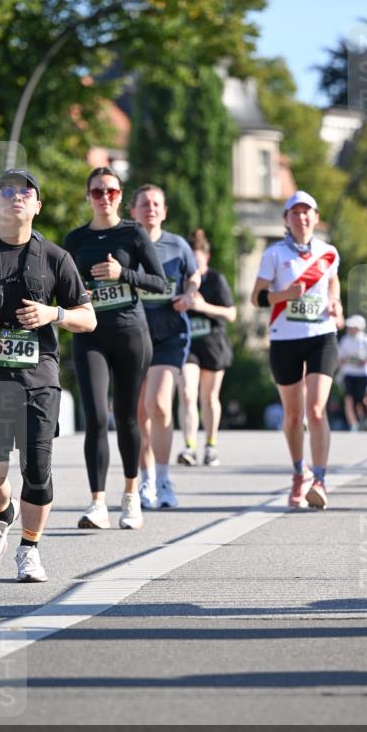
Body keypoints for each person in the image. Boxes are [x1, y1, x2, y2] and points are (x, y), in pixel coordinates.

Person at [0, 168, 96, 582]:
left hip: (38, 379)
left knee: (38, 470)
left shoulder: (56, 259)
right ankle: (1, 514)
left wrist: (54, 313)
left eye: (26, 192)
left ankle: (30, 548)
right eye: (7, 191)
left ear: (37, 206)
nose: (17, 196)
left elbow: (89, 318)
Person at [64, 167, 166, 530]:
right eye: (96, 192)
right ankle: (97, 503)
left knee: (126, 417)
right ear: (88, 196)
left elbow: (160, 283)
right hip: (90, 334)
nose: (104, 198)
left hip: (130, 334)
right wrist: (79, 296)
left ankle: (131, 495)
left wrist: (122, 274)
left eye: (110, 191)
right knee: (94, 417)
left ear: (120, 195)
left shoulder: (133, 233)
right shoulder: (75, 240)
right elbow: (61, 288)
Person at [250, 190, 342, 509]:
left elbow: (332, 283)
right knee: (293, 415)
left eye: (307, 212)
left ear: (315, 217)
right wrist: (285, 294)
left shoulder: (329, 252)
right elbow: (257, 298)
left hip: (321, 335)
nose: (302, 218)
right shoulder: (274, 255)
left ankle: (320, 478)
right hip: (285, 338)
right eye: (295, 213)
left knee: (316, 409)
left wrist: (336, 303)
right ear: (286, 220)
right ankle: (298, 473)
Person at [131, 184, 201, 509]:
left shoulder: (178, 245)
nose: (151, 208)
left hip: (170, 334)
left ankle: (163, 478)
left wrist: (188, 295)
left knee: (159, 403)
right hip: (132, 335)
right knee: (139, 412)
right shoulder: (126, 244)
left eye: (157, 203)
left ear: (165, 210)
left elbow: (194, 277)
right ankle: (144, 480)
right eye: (145, 204)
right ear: (133, 211)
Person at [176, 229, 236, 467]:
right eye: (191, 261)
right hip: (187, 345)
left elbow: (231, 313)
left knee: (209, 397)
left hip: (213, 345)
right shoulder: (181, 281)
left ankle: (211, 445)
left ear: (206, 258)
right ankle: (189, 446)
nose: (195, 265)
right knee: (188, 393)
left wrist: (203, 306)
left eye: (198, 260)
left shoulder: (216, 280)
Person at [337, 315, 367, 431]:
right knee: (349, 398)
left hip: (363, 374)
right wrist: (344, 364)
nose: (350, 329)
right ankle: (353, 423)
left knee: (364, 399)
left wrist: (365, 362)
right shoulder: (345, 340)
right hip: (349, 373)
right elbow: (340, 358)